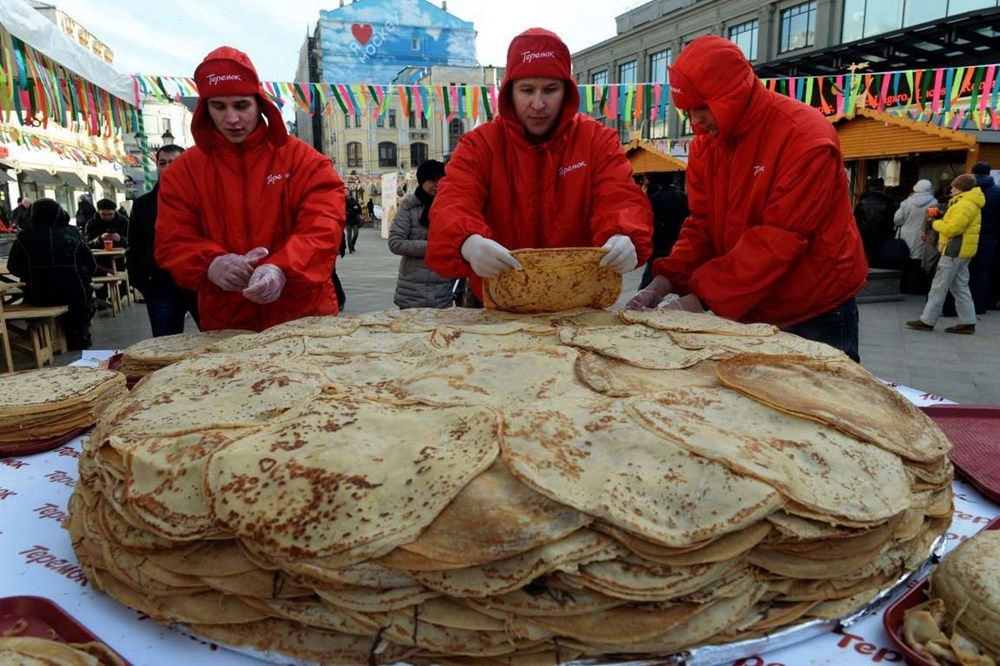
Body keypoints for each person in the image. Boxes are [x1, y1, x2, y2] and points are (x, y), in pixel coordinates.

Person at [627, 35, 867, 361]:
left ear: (733, 93)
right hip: (748, 300)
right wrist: (663, 282)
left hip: (815, 306)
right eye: (688, 111)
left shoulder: (805, 137)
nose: (696, 122)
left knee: (826, 391)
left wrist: (699, 300)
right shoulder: (707, 143)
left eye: (702, 107)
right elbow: (702, 223)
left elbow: (779, 237)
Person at [425, 27, 652, 303]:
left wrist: (624, 234)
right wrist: (468, 242)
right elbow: (453, 202)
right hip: (495, 296)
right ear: (510, 92)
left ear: (566, 91)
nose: (538, 103)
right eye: (527, 90)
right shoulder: (479, 145)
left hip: (578, 299)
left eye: (550, 90)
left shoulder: (596, 140)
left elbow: (619, 196)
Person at [155, 45, 345, 332]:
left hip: (303, 315)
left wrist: (282, 268)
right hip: (228, 321)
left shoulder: (305, 161)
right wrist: (211, 264)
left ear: (259, 104)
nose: (232, 119)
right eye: (219, 107)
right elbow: (173, 238)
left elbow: (323, 227)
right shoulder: (183, 172)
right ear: (205, 109)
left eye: (241, 105)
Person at [127, 144, 200, 337]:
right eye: (162, 163)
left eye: (174, 162)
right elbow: (135, 244)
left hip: (197, 282)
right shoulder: (143, 204)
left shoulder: (201, 198)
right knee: (165, 345)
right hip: (161, 285)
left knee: (214, 340)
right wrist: (142, 283)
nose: (167, 167)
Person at [7, 198, 96, 350]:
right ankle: (79, 335)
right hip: (75, 295)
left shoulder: (24, 237)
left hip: (38, 295)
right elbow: (91, 265)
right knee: (83, 295)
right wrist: (82, 275)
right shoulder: (73, 234)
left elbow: (13, 267)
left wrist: (30, 275)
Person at [906, 174, 983, 334]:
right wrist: (942, 217)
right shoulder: (969, 202)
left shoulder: (964, 204)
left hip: (953, 250)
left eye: (954, 186)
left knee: (938, 287)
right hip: (962, 251)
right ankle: (968, 322)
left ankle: (927, 320)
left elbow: (953, 229)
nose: (951, 188)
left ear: (961, 188)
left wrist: (935, 223)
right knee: (960, 287)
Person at [389, 159, 454, 309]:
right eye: (432, 180)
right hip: (412, 290)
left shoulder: (449, 207)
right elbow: (395, 242)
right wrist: (432, 247)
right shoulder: (409, 207)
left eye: (440, 180)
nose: (437, 184)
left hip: (442, 289)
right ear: (422, 181)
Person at [638, 173, 688, 289]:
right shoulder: (683, 196)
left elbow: (650, 220)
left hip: (660, 241)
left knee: (652, 270)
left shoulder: (655, 198)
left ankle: (645, 291)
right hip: (679, 237)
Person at [892, 179, 938, 295]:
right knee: (919, 260)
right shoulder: (934, 203)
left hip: (906, 234)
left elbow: (897, 219)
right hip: (923, 234)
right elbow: (932, 220)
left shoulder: (907, 202)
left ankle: (903, 286)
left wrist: (902, 224)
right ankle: (917, 287)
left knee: (905, 258)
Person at [969, 161, 999, 314]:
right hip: (990, 237)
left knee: (964, 271)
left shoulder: (968, 190)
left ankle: (963, 305)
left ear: (973, 173)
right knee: (984, 271)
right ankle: (981, 304)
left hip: (968, 236)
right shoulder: (998, 192)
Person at [854, 177, 898, 267]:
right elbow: (891, 220)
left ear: (871, 188)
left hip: (865, 234)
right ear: (882, 187)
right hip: (883, 234)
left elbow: (856, 220)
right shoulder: (889, 202)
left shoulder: (863, 202)